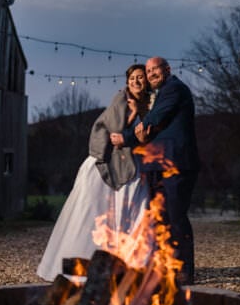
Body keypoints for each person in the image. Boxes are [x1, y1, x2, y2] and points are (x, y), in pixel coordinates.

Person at [36, 64, 152, 282]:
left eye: (140, 78)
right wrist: (134, 113)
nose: (136, 82)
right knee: (95, 212)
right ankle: (85, 263)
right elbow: (115, 131)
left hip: (132, 163)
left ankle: (131, 265)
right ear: (127, 82)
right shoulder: (122, 100)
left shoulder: (148, 105)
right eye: (132, 78)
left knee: (135, 213)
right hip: (107, 162)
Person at [110, 56, 200, 285]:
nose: (150, 75)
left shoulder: (174, 89)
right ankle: (165, 266)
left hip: (175, 164)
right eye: (148, 71)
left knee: (176, 217)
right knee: (161, 218)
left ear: (167, 69)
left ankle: (184, 270)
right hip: (157, 166)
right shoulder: (157, 94)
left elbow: (153, 120)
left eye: (154, 70)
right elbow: (149, 125)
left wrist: (127, 137)